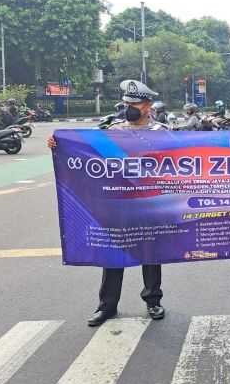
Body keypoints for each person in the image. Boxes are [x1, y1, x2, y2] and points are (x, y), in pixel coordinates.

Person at [47, 79, 166, 326]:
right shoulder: (113, 130)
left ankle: (153, 300)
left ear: (147, 106)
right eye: (126, 102)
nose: (129, 107)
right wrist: (58, 145)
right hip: (118, 202)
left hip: (149, 201)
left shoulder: (162, 132)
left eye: (135, 103)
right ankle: (107, 306)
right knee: (113, 253)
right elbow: (84, 150)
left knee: (151, 252)